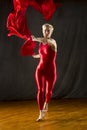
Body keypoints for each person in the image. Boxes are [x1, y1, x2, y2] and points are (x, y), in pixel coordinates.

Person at [32, 23, 57, 121]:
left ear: (51, 31)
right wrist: (36, 56)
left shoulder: (53, 42)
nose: (46, 32)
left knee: (48, 92)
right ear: (42, 31)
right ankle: (41, 114)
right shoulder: (41, 42)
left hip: (51, 71)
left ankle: (47, 103)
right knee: (40, 90)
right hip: (40, 69)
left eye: (48, 30)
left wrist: (35, 39)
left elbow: (46, 40)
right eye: (45, 30)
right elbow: (42, 54)